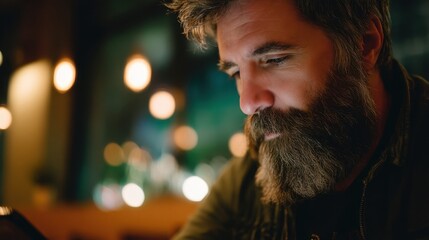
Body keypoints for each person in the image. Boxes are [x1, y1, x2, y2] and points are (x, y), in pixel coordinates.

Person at [166, 0, 429, 239]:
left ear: (365, 42)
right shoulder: (249, 179)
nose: (247, 103)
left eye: (274, 60)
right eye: (236, 73)